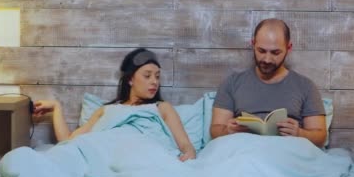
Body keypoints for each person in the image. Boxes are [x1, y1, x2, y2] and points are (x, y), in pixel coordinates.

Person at [33, 48, 197, 161]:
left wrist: (188, 153)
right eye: (147, 76)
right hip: (108, 157)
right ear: (131, 79)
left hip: (146, 158)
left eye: (157, 76)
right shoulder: (106, 110)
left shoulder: (161, 108)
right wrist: (56, 107)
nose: (154, 82)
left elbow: (185, 145)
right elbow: (68, 141)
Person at [210, 18, 327, 147]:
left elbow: (320, 137)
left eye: (275, 53)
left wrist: (300, 133)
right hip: (244, 153)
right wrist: (228, 130)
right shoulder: (232, 83)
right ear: (253, 44)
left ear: (289, 48)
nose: (267, 59)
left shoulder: (305, 86)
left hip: (287, 153)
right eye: (261, 51)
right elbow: (215, 130)